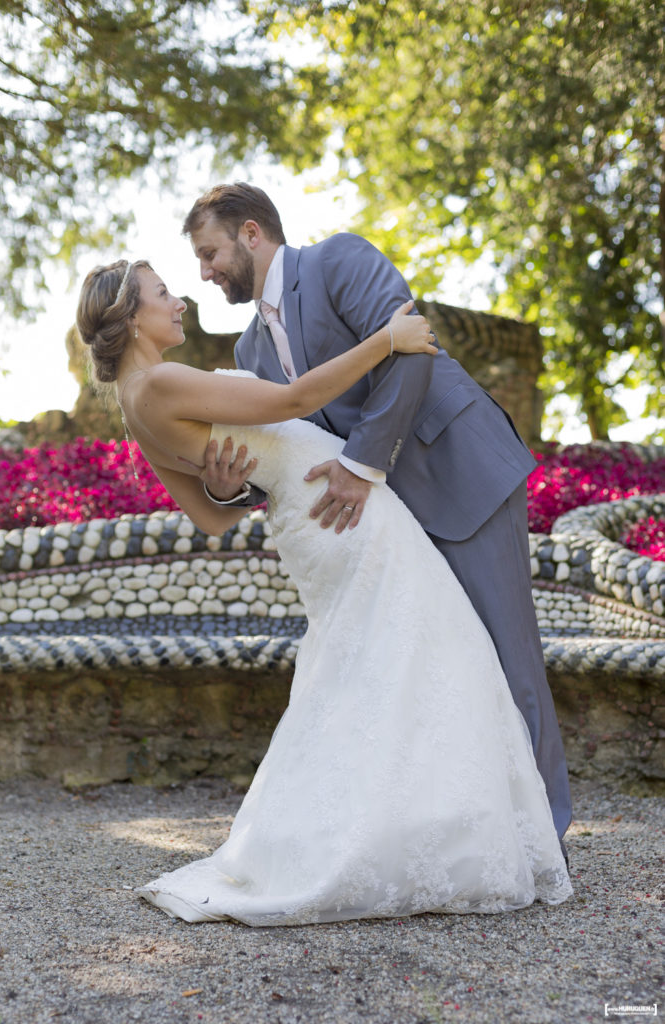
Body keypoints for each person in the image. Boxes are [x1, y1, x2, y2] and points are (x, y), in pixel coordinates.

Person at [75, 257, 572, 926]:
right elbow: (291, 402)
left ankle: (400, 830)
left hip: (319, 519)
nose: (179, 300)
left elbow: (212, 515)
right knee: (434, 651)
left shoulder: (137, 403)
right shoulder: (160, 381)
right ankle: (429, 835)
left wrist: (224, 485)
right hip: (343, 519)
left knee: (377, 668)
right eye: (162, 293)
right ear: (132, 318)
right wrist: (386, 341)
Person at [183, 183, 572, 850]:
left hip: (458, 472)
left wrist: (362, 464)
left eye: (209, 253)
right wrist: (229, 490)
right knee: (446, 669)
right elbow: (289, 450)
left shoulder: (337, 260)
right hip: (391, 522)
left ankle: (546, 840)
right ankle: (481, 837)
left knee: (507, 661)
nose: (204, 272)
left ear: (251, 233)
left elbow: (410, 350)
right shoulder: (250, 353)